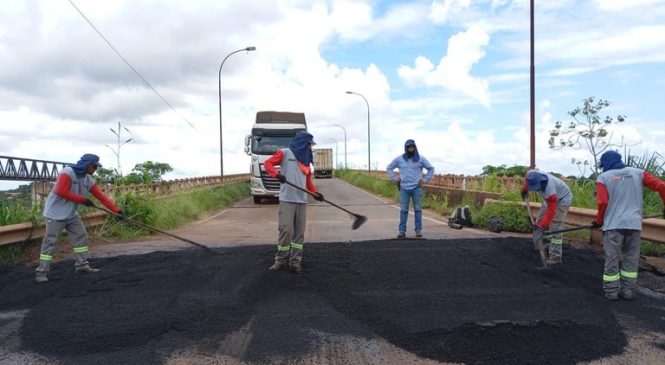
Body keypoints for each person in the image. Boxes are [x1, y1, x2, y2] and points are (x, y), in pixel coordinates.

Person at [35, 154, 123, 283]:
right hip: (55, 214)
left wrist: (117, 211)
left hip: (71, 214)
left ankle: (82, 265)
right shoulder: (67, 173)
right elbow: (61, 191)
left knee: (80, 236)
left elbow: (101, 197)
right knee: (50, 242)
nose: (95, 169)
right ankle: (41, 272)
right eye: (94, 166)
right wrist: (82, 200)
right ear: (87, 165)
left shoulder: (89, 180)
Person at [592, 150, 665, 301]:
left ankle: (611, 292)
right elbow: (662, 186)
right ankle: (628, 291)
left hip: (613, 225)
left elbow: (602, 202)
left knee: (612, 257)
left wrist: (599, 221)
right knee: (631, 257)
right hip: (634, 224)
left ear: (605, 164)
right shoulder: (638, 173)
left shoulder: (603, 178)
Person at [264, 131, 323, 274]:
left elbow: (307, 180)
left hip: (302, 200)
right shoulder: (285, 153)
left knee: (299, 234)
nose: (310, 148)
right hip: (287, 200)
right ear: (303, 143)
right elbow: (268, 164)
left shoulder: (306, 160)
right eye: (309, 145)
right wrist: (277, 175)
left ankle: (295, 262)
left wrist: (315, 193)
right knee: (286, 229)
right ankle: (280, 260)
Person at [521, 170, 573, 265]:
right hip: (548, 200)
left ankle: (555, 256)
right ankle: (539, 246)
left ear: (541, 183)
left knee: (555, 226)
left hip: (562, 200)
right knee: (538, 222)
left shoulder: (550, 190)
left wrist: (542, 226)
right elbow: (526, 178)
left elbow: (551, 211)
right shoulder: (531, 174)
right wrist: (524, 190)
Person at [386, 139, 434, 238]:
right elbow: (389, 168)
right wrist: (395, 179)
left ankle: (418, 230)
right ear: (406, 148)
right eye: (409, 147)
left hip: (416, 188)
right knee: (403, 210)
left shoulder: (421, 159)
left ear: (415, 148)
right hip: (404, 188)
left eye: (412, 147)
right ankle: (402, 231)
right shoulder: (399, 159)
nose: (410, 149)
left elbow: (431, 168)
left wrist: (425, 180)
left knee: (417, 209)